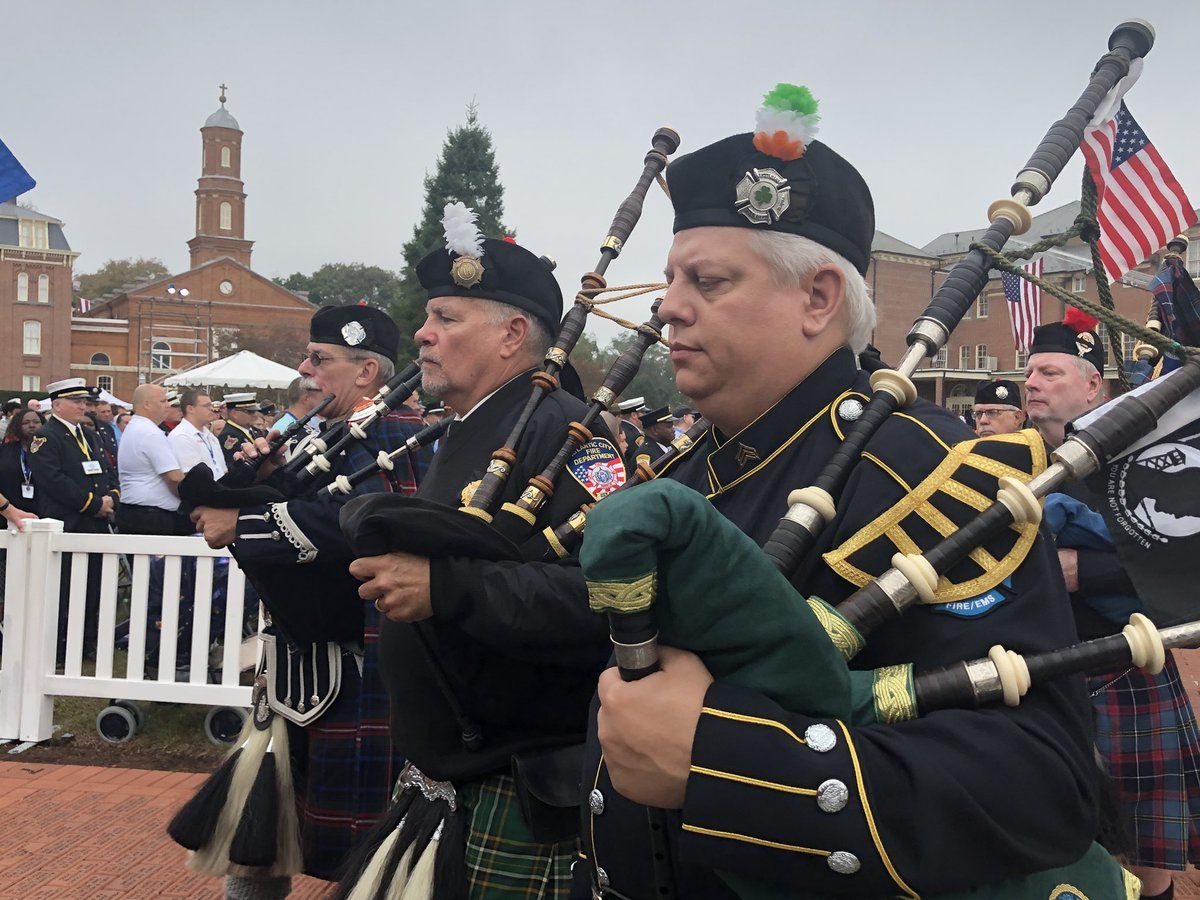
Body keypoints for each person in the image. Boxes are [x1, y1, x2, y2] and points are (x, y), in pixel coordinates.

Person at [575, 88, 1112, 898]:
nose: (668, 308)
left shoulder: (937, 474)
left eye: (707, 281)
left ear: (819, 298)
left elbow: (1040, 786)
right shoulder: (693, 469)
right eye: (671, 279)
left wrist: (723, 762)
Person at [341, 215, 615, 897]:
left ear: (512, 334)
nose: (424, 333)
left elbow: (607, 597)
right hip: (449, 779)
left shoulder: (570, 434)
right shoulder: (472, 426)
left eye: (445, 317)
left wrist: (450, 587)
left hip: (515, 778)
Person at [187, 302, 432, 895]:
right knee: (258, 834)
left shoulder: (397, 435)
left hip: (359, 666)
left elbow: (361, 520)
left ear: (367, 371)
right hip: (299, 665)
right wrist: (260, 481)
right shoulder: (331, 433)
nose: (305, 368)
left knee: (365, 856)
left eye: (320, 359)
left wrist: (244, 522)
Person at [1027, 311, 1200, 899]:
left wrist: (1086, 570)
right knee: (1049, 821)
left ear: (1093, 386)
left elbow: (1181, 551)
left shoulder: (1138, 456)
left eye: (1049, 372)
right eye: (1030, 373)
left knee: (1147, 833)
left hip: (1124, 665)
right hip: (1028, 668)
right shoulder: (1005, 458)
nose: (1032, 384)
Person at [28, 379, 120, 660]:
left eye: (85, 402)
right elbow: (53, 480)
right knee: (65, 589)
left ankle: (86, 642)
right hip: (69, 522)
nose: (83, 407)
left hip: (94, 522)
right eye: (77, 402)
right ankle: (58, 648)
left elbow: (105, 469)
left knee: (94, 585)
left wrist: (111, 496)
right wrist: (93, 504)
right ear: (57, 405)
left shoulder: (87, 434)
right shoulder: (46, 436)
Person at [116, 384, 190, 536]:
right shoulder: (150, 432)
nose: (168, 406)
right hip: (151, 516)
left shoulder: (137, 427)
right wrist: (192, 500)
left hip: (139, 511)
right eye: (163, 401)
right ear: (147, 404)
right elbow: (174, 478)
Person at [167, 389, 226, 480]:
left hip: (219, 489)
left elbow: (223, 471)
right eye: (206, 406)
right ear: (190, 409)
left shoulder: (210, 436)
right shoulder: (181, 436)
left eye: (210, 405)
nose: (211, 408)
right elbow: (194, 478)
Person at [0, 409, 45, 520]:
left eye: (36, 422)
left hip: (41, 513)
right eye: (26, 422)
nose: (31, 425)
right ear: (17, 426)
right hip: (7, 512)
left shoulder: (50, 451)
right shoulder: (4, 450)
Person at [215, 393, 262, 468]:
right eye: (249, 412)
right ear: (235, 414)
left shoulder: (254, 431)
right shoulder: (228, 436)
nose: (255, 415)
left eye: (254, 411)